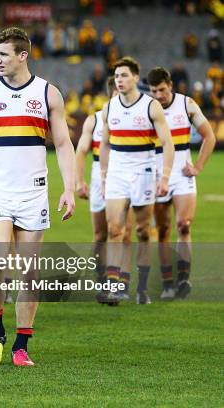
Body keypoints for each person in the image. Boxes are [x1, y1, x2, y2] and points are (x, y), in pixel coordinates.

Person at [0, 27, 76, 367]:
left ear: (23, 55)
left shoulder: (48, 94)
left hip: (33, 195)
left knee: (29, 273)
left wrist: (69, 187)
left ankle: (21, 345)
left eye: (4, 54)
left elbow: (64, 144)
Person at [99, 57, 174, 306]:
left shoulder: (151, 106)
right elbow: (106, 144)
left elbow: (167, 143)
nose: (119, 80)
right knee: (114, 229)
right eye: (116, 76)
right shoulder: (110, 107)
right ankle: (114, 286)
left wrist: (164, 177)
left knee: (142, 231)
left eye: (123, 75)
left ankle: (141, 286)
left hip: (143, 171)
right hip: (118, 174)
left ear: (135, 78)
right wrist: (103, 176)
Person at [146, 67, 215, 299]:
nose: (158, 95)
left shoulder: (187, 105)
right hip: (156, 176)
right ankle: (167, 283)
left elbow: (209, 136)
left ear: (171, 85)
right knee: (163, 230)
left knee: (184, 225)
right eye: (154, 91)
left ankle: (183, 279)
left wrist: (198, 166)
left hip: (183, 175)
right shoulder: (146, 108)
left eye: (162, 90)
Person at [76, 76, 135, 303]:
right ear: (111, 95)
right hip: (98, 180)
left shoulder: (133, 119)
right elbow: (81, 151)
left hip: (125, 179)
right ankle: (102, 280)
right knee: (100, 234)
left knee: (123, 232)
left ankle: (121, 283)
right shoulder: (95, 120)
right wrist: (79, 182)